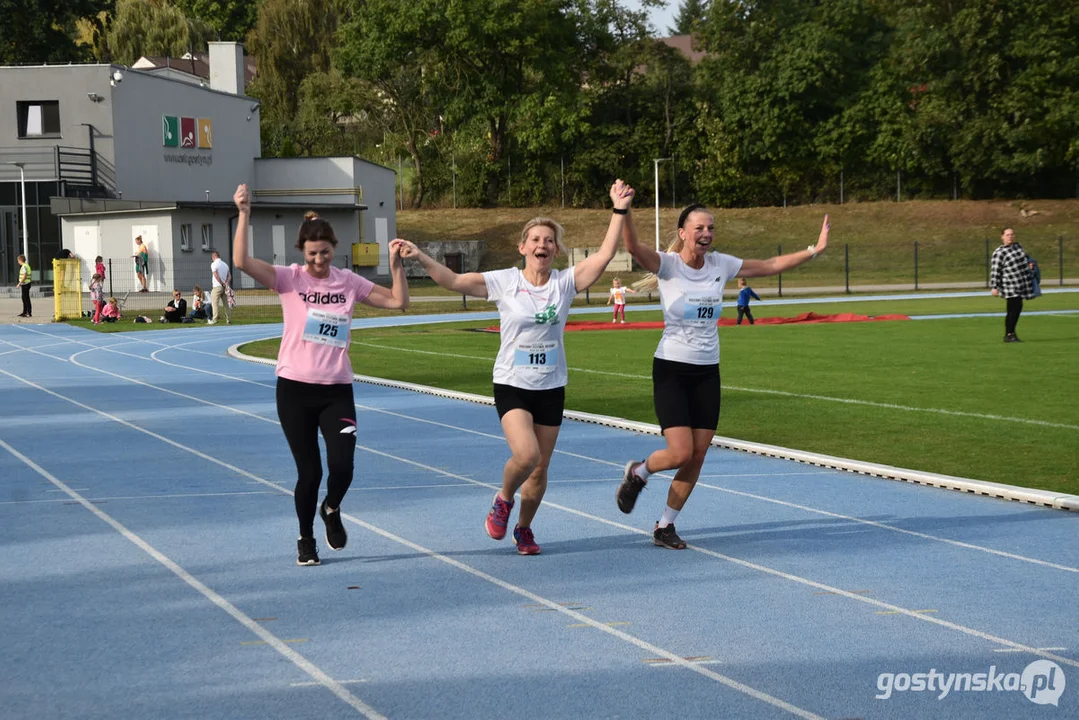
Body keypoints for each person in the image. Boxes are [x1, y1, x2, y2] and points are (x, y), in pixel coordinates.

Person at [396, 180, 635, 555]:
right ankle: (504, 498)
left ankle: (524, 528)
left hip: (551, 385)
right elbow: (456, 280)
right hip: (512, 382)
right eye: (536, 240)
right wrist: (420, 256)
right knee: (527, 456)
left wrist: (618, 209)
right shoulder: (504, 282)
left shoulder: (564, 284)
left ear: (556, 250)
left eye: (549, 240)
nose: (543, 245)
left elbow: (605, 254)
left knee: (540, 470)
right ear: (523, 247)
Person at [615, 203, 829, 549]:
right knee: (681, 452)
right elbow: (633, 248)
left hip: (707, 372)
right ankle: (639, 472)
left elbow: (771, 265)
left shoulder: (722, 264)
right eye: (699, 228)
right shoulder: (668, 265)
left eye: (711, 228)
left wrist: (813, 251)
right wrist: (622, 212)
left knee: (697, 456)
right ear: (683, 233)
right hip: (671, 368)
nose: (706, 234)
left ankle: (665, 526)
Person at [231, 183, 410, 567]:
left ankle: (331, 507)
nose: (318, 260)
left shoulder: (348, 281)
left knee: (343, 466)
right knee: (308, 471)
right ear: (302, 253)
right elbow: (242, 261)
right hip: (294, 389)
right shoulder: (288, 279)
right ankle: (305, 538)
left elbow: (397, 302)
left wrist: (396, 267)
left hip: (336, 390)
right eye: (312, 254)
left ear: (334, 248)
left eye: (325, 253)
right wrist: (245, 212)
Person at [990, 227, 1036, 343]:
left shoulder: (1018, 247)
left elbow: (1024, 260)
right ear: (1002, 237)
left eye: (1011, 234)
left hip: (1021, 283)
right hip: (1009, 284)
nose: (1010, 236)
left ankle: (1010, 333)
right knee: (1013, 309)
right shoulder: (999, 252)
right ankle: (1009, 334)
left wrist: (1029, 265)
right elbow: (996, 270)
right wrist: (994, 286)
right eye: (1007, 235)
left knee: (1017, 308)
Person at [208, 250, 232, 325]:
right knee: (226, 304)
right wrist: (226, 283)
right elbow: (229, 276)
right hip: (224, 287)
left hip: (217, 286)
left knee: (215, 303)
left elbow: (216, 275)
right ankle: (229, 319)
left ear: (213, 257)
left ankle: (215, 319)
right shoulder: (225, 265)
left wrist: (221, 283)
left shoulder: (214, 264)